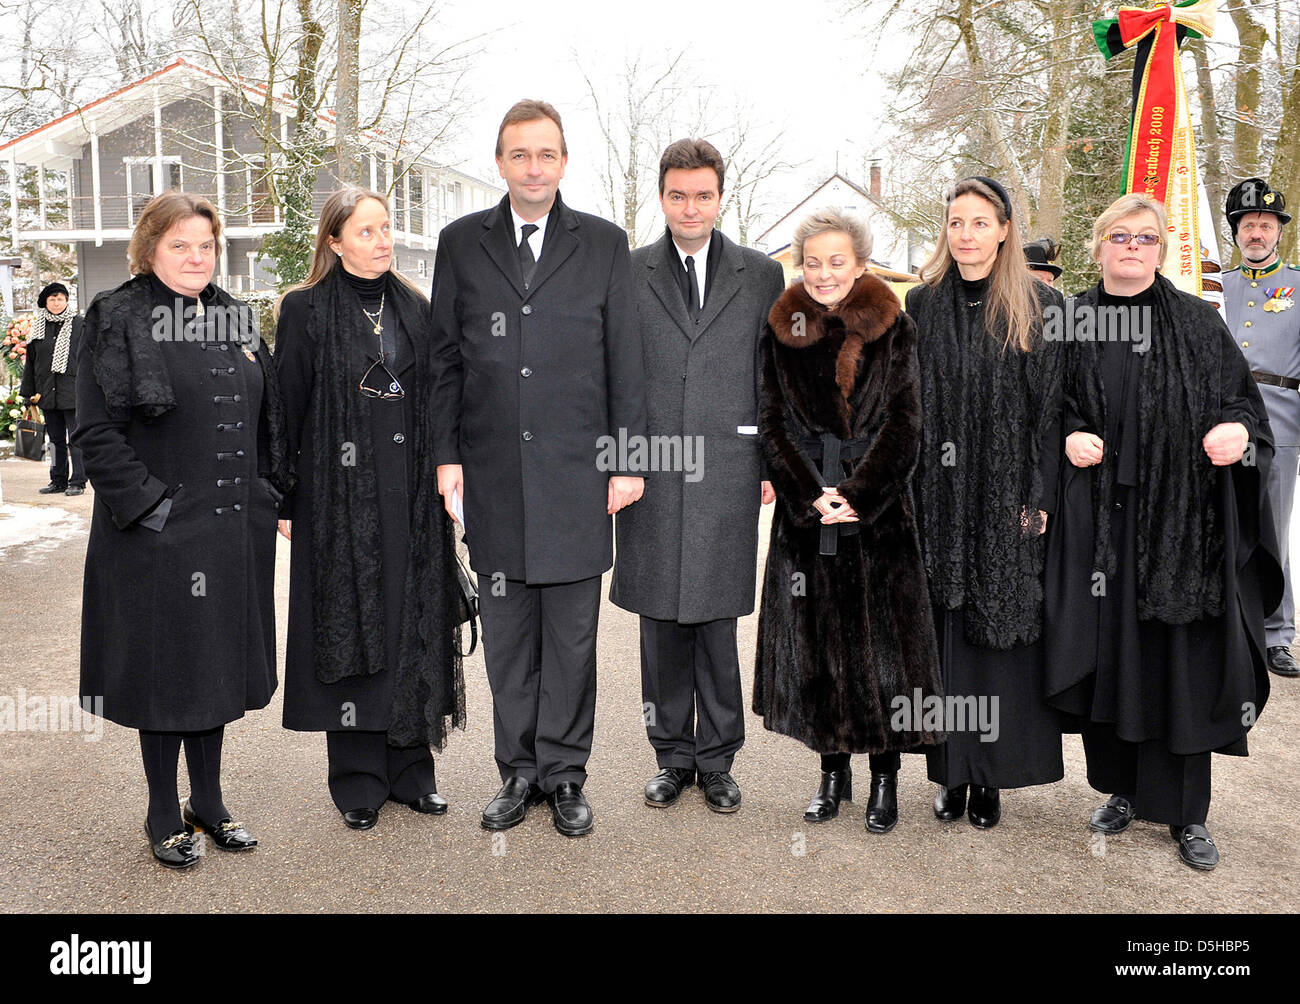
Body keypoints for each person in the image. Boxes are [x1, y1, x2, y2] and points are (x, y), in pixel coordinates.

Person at [1044, 192, 1281, 871]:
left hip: (1181, 527)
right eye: (1119, 236)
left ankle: (1187, 815)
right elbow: (1046, 408)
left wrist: (1237, 431)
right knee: (1110, 663)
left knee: (1177, 667)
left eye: (1145, 238)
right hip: (1101, 532)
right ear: (1099, 246)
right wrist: (1070, 434)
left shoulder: (1195, 323)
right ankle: (1121, 790)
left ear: (1160, 250)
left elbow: (1244, 405)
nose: (1132, 247)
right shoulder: (1073, 321)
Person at [429, 100, 646, 837]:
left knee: (572, 641)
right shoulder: (461, 243)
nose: (533, 167)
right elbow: (445, 359)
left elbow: (627, 358)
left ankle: (565, 774)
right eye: (519, 154)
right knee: (510, 639)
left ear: (563, 162)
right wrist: (446, 455)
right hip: (492, 479)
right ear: (499, 162)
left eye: (545, 154)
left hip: (580, 477)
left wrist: (628, 462)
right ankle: (516, 774)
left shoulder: (606, 245)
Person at [74, 190, 291, 867]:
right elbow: (95, 432)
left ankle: (211, 803)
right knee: (166, 672)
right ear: (149, 249)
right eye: (180, 245)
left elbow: (266, 420)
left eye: (206, 245)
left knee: (217, 668)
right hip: (158, 534)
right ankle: (164, 811)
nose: (196, 257)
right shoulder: (118, 316)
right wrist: (152, 509)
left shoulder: (233, 317)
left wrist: (269, 495)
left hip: (232, 532)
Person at [275, 188, 465, 831]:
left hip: (411, 494)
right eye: (365, 231)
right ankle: (357, 779)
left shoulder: (415, 306)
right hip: (337, 498)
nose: (381, 240)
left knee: (410, 621)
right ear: (333, 241)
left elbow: (444, 394)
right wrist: (288, 495)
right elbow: (286, 408)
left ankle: (412, 773)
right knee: (351, 627)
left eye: (386, 228)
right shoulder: (304, 311)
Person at [753, 208, 943, 833]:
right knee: (816, 647)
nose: (825, 273)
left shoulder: (896, 327)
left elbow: (906, 423)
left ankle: (885, 777)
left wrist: (860, 494)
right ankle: (831, 771)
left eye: (838, 262)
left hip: (879, 516)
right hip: (806, 518)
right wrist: (811, 498)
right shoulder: (780, 330)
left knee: (885, 647)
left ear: (861, 264)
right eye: (813, 262)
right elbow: (772, 424)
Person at [611, 138, 784, 813]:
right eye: (678, 194)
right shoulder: (625, 272)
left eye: (703, 195)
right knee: (660, 623)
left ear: (720, 197)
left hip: (728, 469)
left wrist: (771, 460)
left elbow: (774, 377)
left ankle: (717, 759)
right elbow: (615, 375)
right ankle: (671, 756)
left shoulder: (761, 274)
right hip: (653, 472)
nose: (691, 207)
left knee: (715, 622)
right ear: (662, 197)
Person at [907, 176, 1065, 829]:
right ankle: (950, 771)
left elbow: (1051, 414)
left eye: (979, 222)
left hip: (1005, 500)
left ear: (1005, 230)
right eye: (956, 222)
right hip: (938, 497)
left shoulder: (1040, 307)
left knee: (997, 641)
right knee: (946, 639)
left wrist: (1037, 498)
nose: (966, 234)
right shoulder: (921, 305)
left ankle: (990, 777)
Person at [1221, 178, 1300, 678]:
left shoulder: (1299, 286)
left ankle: (1277, 634)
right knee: (1219, 523)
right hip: (1218, 420)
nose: (1257, 232)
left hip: (1279, 420)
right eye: (1248, 225)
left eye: (1265, 225)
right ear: (1236, 232)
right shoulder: (1214, 287)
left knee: (1272, 527)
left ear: (1278, 234)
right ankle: (1223, 625)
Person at [20, 281, 86, 495]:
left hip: (73, 391)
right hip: (46, 392)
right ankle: (58, 480)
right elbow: (31, 362)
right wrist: (28, 393)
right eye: (52, 299)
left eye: (60, 298)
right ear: (45, 303)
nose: (56, 303)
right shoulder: (38, 327)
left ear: (67, 301)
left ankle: (78, 481)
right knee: (55, 440)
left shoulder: (80, 324)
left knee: (75, 439)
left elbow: (89, 358)